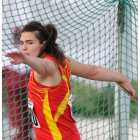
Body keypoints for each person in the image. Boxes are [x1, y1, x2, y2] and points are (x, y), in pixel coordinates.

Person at [5, 21, 137, 140]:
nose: (24, 48)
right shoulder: (62, 59)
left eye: (30, 43)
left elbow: (45, 67)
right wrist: (121, 77)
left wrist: (26, 59)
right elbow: (92, 72)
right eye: (22, 43)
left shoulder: (48, 66)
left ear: (43, 44)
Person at [2, 27, 32, 140]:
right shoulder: (26, 52)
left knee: (23, 114)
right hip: (17, 89)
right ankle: (21, 136)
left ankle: (23, 135)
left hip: (21, 88)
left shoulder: (10, 52)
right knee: (20, 114)